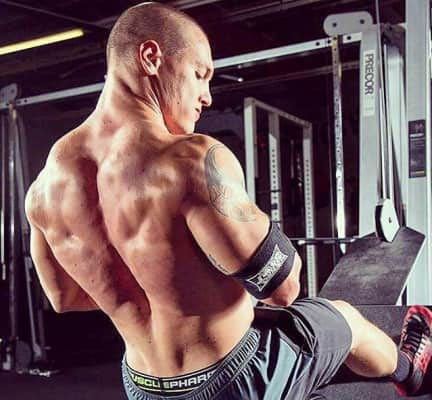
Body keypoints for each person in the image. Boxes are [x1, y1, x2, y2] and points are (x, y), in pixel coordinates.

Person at [24, 2, 432, 399]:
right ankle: (413, 371)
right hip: (238, 377)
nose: (207, 97)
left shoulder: (43, 188)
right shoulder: (189, 159)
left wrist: (167, 295)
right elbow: (283, 289)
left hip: (142, 386)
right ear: (151, 57)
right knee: (343, 319)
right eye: (200, 75)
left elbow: (65, 299)